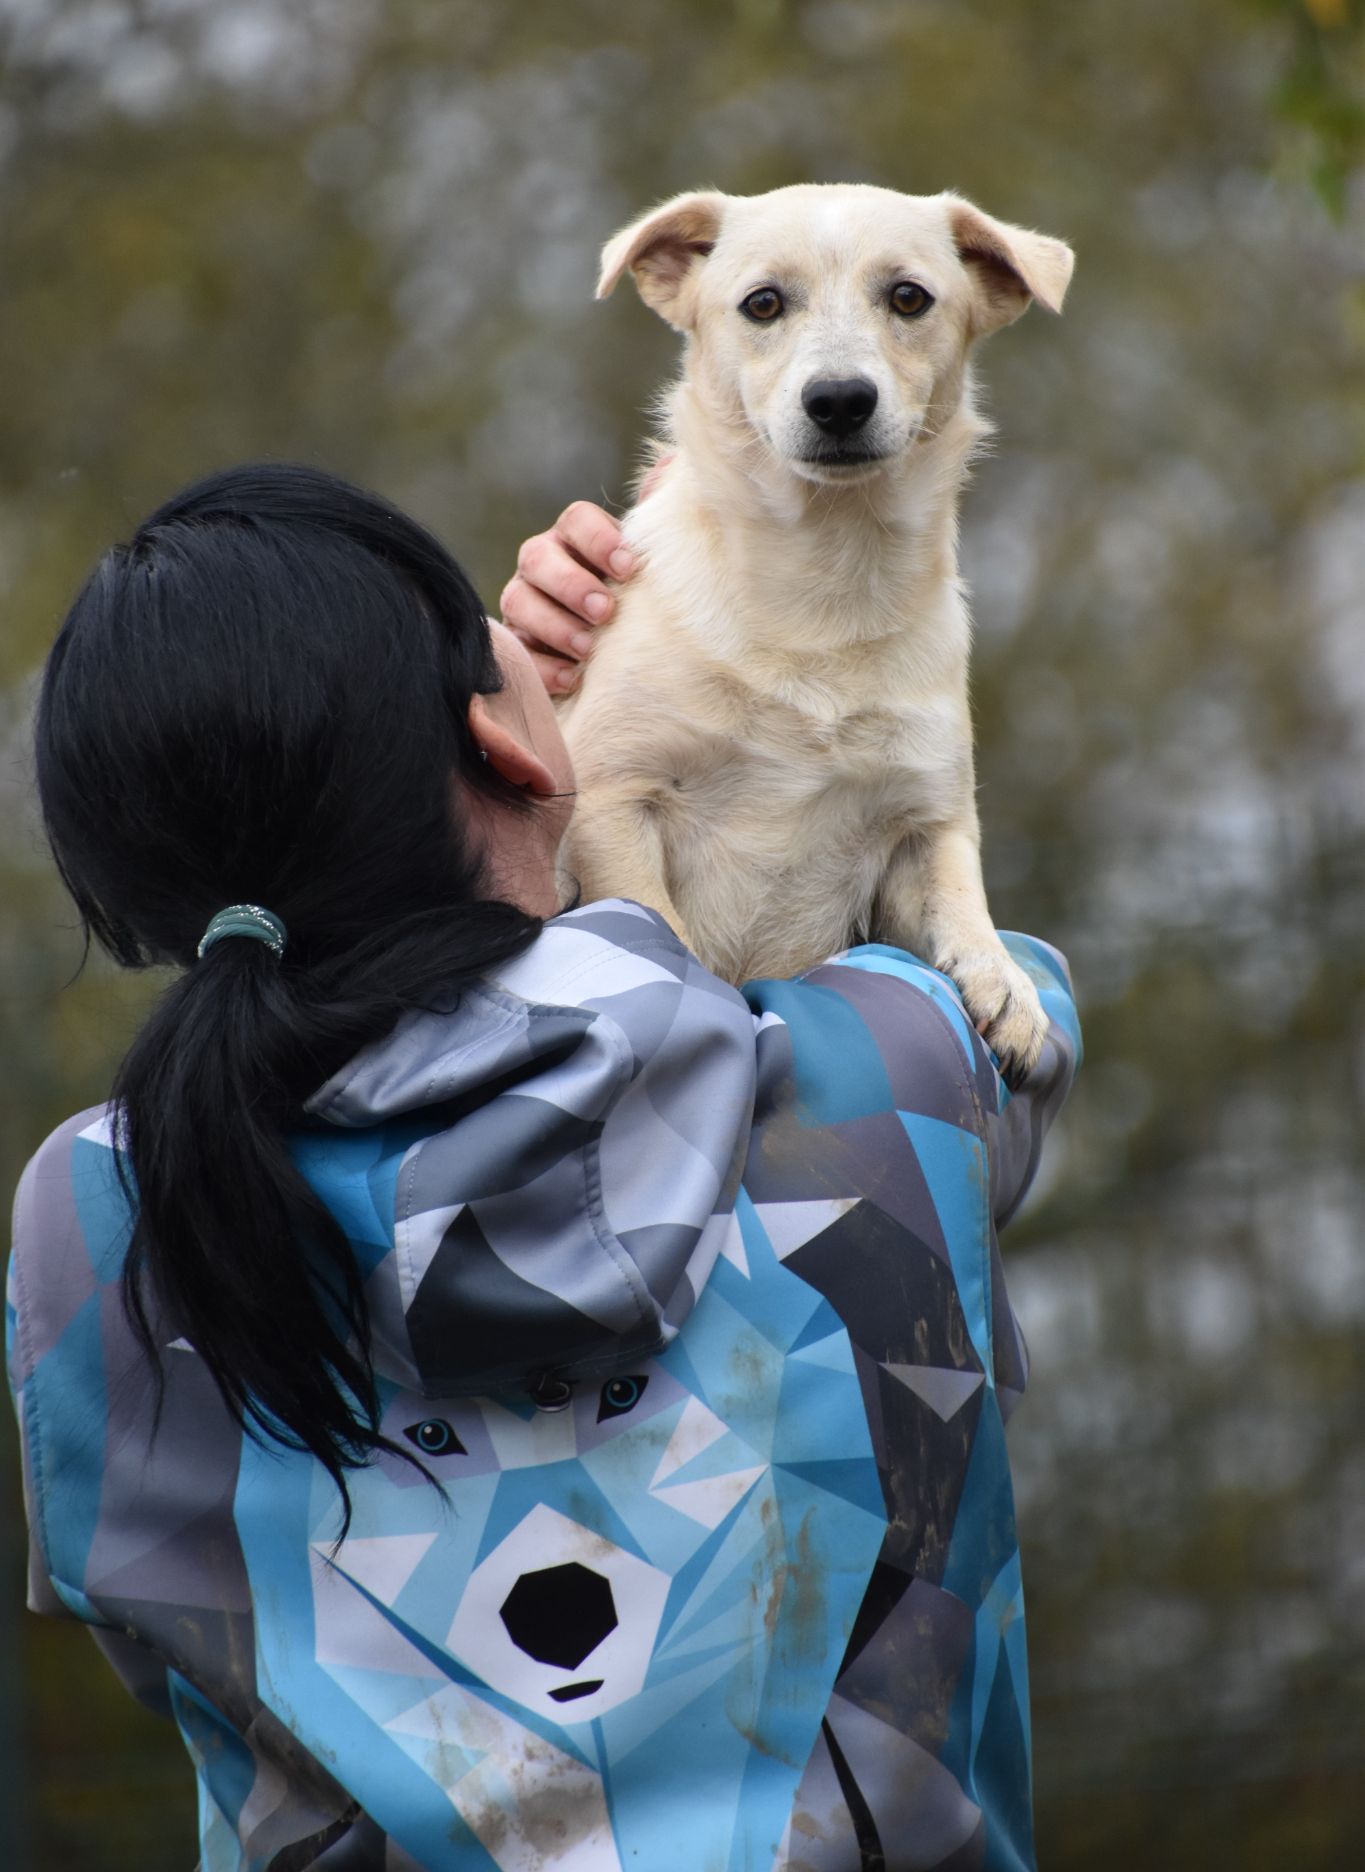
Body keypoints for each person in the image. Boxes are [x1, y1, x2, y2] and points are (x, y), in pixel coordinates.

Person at [7, 463, 1080, 1872]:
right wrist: (666, 692)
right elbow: (1007, 997)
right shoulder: (889, 1080)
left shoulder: (90, 1228)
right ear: (505, 746)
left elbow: (168, 1644)